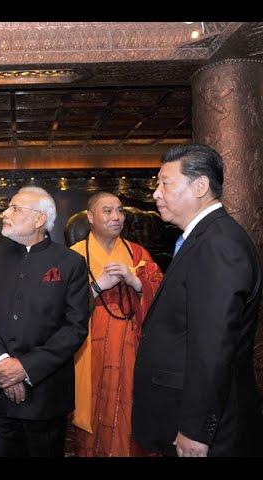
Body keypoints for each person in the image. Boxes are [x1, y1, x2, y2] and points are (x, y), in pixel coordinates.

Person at [132, 144, 263, 457]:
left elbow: (213, 345)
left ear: (200, 186)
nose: (156, 194)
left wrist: (195, 428)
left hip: (202, 427)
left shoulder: (218, 244)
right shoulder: (201, 238)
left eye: (165, 183)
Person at [0, 186, 90, 456]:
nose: (5, 213)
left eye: (15, 208)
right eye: (8, 207)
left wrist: (25, 368)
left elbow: (75, 328)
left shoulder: (71, 263)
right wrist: (2, 365)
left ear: (39, 220)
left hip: (45, 394)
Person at [70, 192, 163, 456]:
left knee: (130, 414)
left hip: (132, 353)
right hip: (88, 352)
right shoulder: (73, 257)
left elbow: (165, 297)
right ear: (90, 217)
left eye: (120, 211)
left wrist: (136, 282)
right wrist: (97, 287)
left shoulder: (137, 254)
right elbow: (55, 308)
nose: (116, 217)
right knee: (92, 419)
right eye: (107, 211)